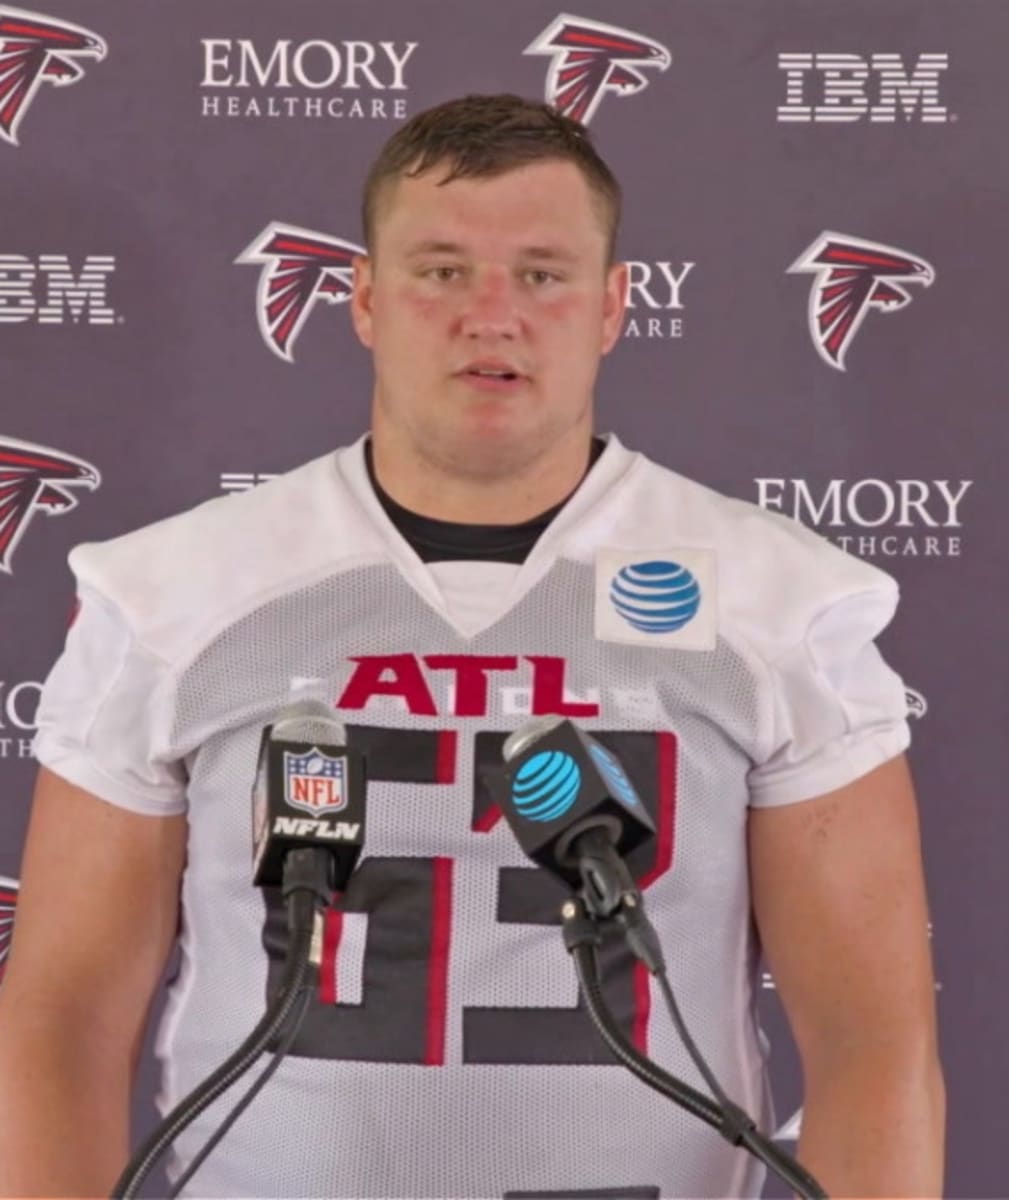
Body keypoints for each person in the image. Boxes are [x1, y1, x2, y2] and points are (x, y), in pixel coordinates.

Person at [0, 95, 943, 1198]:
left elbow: (874, 1049)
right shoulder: (177, 593)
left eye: (542, 274)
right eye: (441, 270)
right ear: (361, 298)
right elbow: (61, 1023)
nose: (491, 315)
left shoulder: (778, 603)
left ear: (611, 307)